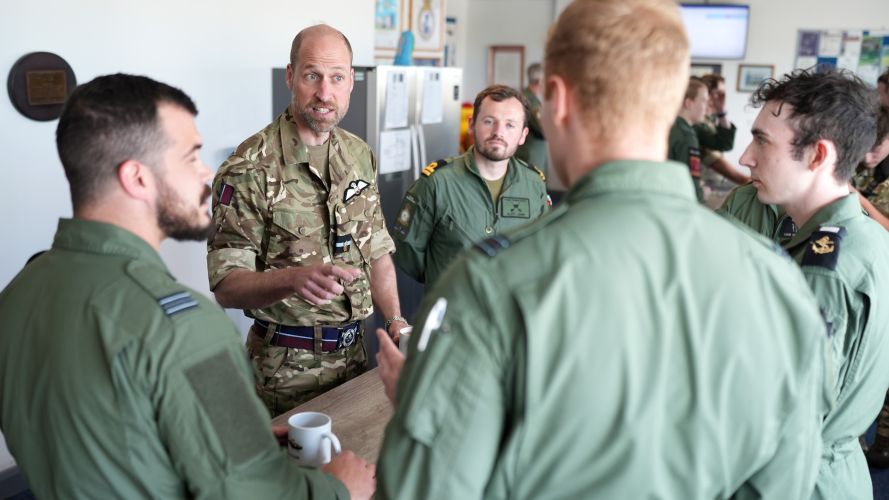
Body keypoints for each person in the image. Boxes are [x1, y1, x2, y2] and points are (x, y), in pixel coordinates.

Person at [374, 1, 830, 498]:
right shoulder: (780, 283)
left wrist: (419, 407)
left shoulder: (490, 284)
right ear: (671, 103)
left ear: (556, 101)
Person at [0, 74, 374, 499]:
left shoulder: (19, 295)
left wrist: (237, 439)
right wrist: (338, 488)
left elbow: (101, 435)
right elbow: (257, 494)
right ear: (138, 178)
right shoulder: (186, 328)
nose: (206, 172)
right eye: (190, 157)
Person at [207, 24, 408, 416]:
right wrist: (292, 279)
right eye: (312, 75)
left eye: (337, 77)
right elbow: (226, 287)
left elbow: (377, 249)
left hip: (356, 358)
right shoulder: (249, 167)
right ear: (290, 76)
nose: (325, 93)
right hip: (283, 374)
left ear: (351, 81)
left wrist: (396, 320)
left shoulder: (358, 154)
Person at [718, 69, 889, 499]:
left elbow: (786, 420)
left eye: (763, 141)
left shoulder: (822, 270)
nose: (746, 158)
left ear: (817, 156)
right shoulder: (868, 238)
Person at [391, 84, 548, 288]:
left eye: (510, 125)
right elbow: (408, 253)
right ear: (472, 125)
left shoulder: (534, 185)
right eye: (489, 121)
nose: (498, 132)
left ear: (523, 135)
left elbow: (541, 249)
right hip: (452, 305)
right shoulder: (438, 182)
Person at [668, 77, 735, 202]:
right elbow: (692, 191)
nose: (706, 106)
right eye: (704, 101)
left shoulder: (674, 125)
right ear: (688, 103)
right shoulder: (687, 136)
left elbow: (724, 143)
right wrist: (703, 191)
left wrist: (721, 111)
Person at [697, 73, 750, 186]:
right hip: (705, 182)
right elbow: (715, 156)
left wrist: (721, 112)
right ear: (708, 94)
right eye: (719, 93)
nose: (722, 98)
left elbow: (726, 143)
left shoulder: (711, 118)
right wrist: (746, 181)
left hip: (714, 180)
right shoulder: (698, 122)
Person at [515, 62, 549, 175]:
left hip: (526, 151)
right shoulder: (531, 101)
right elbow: (543, 128)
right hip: (532, 154)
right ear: (540, 81)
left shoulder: (523, 96)